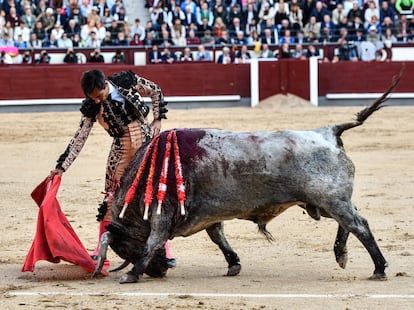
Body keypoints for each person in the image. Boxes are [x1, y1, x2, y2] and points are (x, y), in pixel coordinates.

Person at [48, 69, 175, 267]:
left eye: (99, 95)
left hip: (147, 145)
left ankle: (162, 251)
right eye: (93, 98)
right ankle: (101, 249)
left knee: (153, 197)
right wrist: (61, 166)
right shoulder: (91, 106)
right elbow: (80, 137)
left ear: (105, 85)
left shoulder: (125, 81)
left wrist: (158, 118)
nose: (97, 101)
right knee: (111, 198)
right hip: (121, 151)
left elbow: (155, 90)